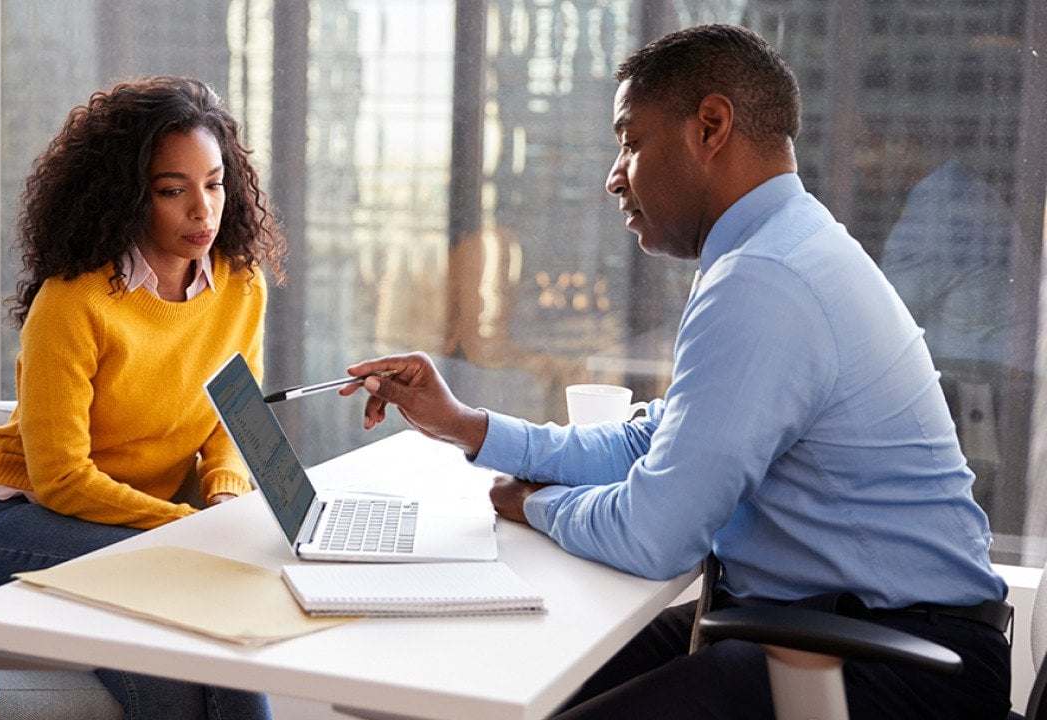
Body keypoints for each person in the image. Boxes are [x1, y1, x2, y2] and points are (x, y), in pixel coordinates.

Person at [340, 25, 1011, 719]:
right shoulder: (775, 247)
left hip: (896, 668)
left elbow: (652, 536)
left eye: (630, 142)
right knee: (507, 688)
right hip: (822, 630)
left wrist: (533, 503)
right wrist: (471, 428)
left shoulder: (765, 278)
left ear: (711, 127)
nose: (613, 174)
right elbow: (652, 441)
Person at [0, 76, 285, 720]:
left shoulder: (241, 287)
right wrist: (189, 529)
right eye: (172, 190)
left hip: (138, 524)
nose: (202, 211)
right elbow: (63, 480)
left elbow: (229, 424)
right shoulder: (74, 302)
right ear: (130, 196)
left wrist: (222, 497)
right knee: (169, 609)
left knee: (218, 636)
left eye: (213, 183)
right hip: (14, 520)